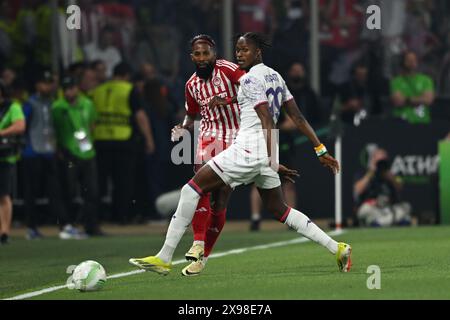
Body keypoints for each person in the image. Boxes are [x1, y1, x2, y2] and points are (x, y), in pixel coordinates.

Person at [129, 32, 352, 275]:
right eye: (237, 50)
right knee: (280, 210)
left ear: (258, 52)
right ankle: (337, 247)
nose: (239, 54)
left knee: (191, 189)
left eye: (245, 50)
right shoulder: (275, 77)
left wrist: (272, 160)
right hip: (263, 150)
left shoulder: (247, 79)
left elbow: (266, 119)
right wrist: (320, 149)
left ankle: (164, 257)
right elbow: (297, 117)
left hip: (249, 148)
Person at [170, 34, 245, 276]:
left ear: (214, 53)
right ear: (191, 57)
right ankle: (198, 242)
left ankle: (203, 257)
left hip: (238, 135)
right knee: (199, 180)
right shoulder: (191, 84)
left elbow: (254, 90)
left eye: (206, 53)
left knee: (220, 200)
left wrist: (229, 99)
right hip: (210, 135)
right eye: (197, 54)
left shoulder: (229, 70)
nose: (202, 58)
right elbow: (191, 116)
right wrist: (183, 127)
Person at [91, 62, 154, 224]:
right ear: (126, 76)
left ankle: (95, 216)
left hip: (100, 139)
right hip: (123, 140)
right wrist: (148, 139)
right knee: (123, 182)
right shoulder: (129, 90)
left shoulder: (97, 90)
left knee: (99, 181)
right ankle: (121, 216)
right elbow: (140, 116)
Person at [20, 70, 69, 240]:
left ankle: (63, 225)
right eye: (45, 83)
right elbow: (22, 127)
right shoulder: (30, 104)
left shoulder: (52, 103)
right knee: (31, 193)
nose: (48, 86)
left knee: (55, 190)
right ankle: (31, 228)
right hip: (32, 153)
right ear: (37, 85)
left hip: (49, 152)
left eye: (50, 83)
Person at [52, 76, 102, 237]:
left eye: (71, 88)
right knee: (69, 191)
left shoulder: (87, 104)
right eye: (65, 89)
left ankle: (91, 227)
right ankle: (68, 225)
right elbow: (54, 130)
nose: (69, 92)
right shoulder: (58, 107)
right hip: (68, 153)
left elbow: (92, 124)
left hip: (87, 152)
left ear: (77, 89)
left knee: (92, 192)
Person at [353, 147, 412, 227]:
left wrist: (391, 177)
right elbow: (358, 190)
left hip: (388, 208)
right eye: (379, 161)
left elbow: (400, 187)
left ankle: (379, 223)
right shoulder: (364, 172)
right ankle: (394, 221)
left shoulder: (391, 174)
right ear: (373, 160)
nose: (381, 164)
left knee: (406, 207)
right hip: (373, 208)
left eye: (383, 161)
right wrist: (371, 172)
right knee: (365, 209)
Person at [0, 80, 26, 244]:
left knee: (3, 194)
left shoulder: (12, 107)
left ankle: (4, 231)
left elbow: (20, 126)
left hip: (5, 156)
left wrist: (1, 132)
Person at [390, 51, 435, 124]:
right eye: (408, 60)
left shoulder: (426, 80)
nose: (412, 62)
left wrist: (407, 100)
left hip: (422, 121)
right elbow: (398, 101)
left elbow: (428, 100)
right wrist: (420, 99)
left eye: (414, 60)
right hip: (401, 121)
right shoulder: (396, 81)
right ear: (402, 63)